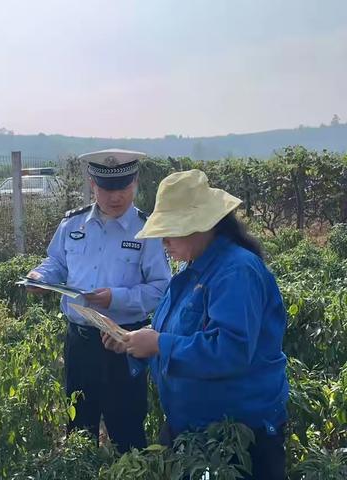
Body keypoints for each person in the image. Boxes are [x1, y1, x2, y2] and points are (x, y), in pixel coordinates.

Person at [103, 169, 289, 479]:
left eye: (170, 231)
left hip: (237, 436)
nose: (163, 242)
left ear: (202, 226)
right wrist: (134, 342)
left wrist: (159, 344)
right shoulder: (192, 270)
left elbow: (231, 349)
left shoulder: (235, 272)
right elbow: (176, 334)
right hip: (192, 429)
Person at [27, 149, 171, 453]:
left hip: (124, 341)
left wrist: (115, 298)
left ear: (135, 184)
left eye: (123, 188)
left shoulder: (148, 230)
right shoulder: (73, 224)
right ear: (93, 184)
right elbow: (56, 263)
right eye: (106, 189)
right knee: (79, 425)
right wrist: (40, 276)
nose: (115, 197)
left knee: (127, 428)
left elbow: (160, 288)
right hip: (80, 341)